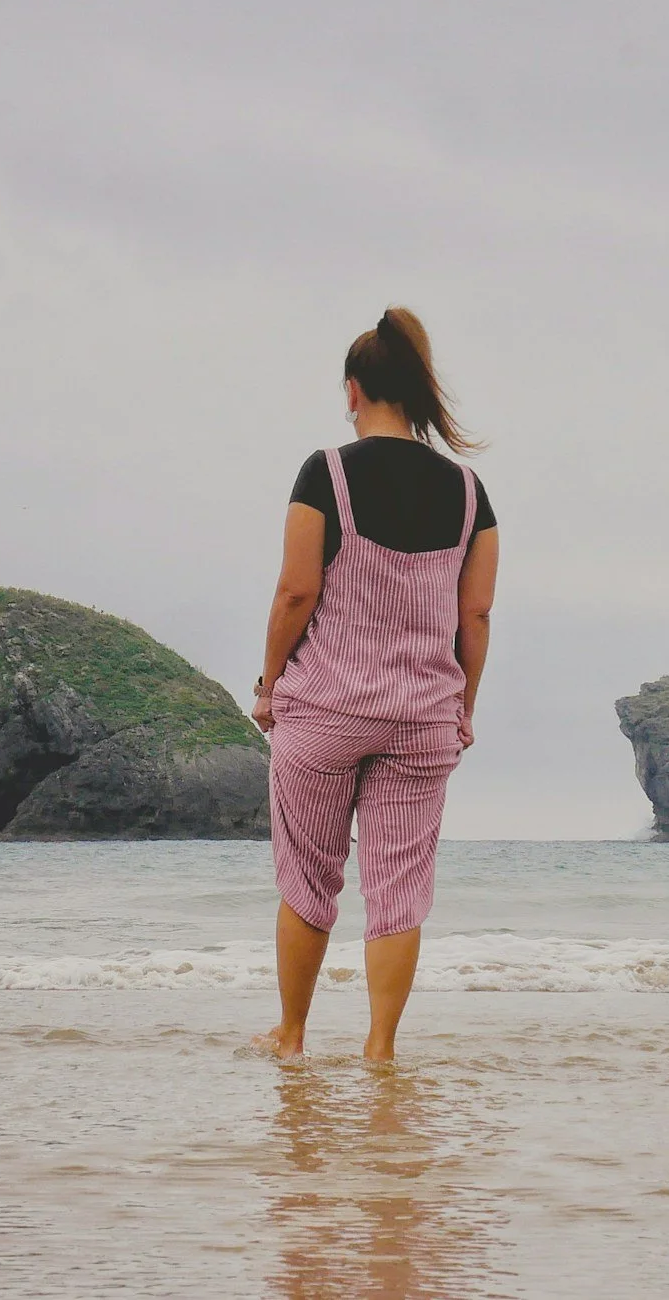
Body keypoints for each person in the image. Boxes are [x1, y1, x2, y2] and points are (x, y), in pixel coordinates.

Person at [249, 306, 498, 1062]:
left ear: (353, 392)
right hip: (421, 717)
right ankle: (380, 1048)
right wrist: (463, 709)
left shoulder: (324, 472)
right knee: (398, 888)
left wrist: (267, 687)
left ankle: (292, 1038)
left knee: (308, 877)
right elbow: (476, 613)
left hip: (325, 710)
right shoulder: (467, 491)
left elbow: (296, 592)